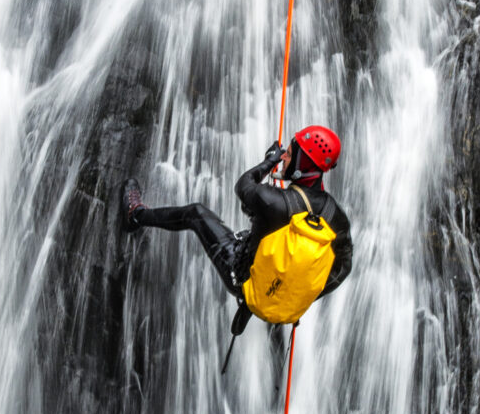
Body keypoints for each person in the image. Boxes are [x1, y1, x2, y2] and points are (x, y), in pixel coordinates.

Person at [122, 125, 352, 331]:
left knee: (195, 213)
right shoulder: (336, 217)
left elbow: (244, 185)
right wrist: (301, 296)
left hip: (242, 277)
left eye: (289, 155)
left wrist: (269, 161)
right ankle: (269, 307)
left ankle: (135, 215)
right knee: (261, 253)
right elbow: (344, 268)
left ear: (302, 164)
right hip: (284, 297)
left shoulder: (274, 201)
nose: (284, 158)